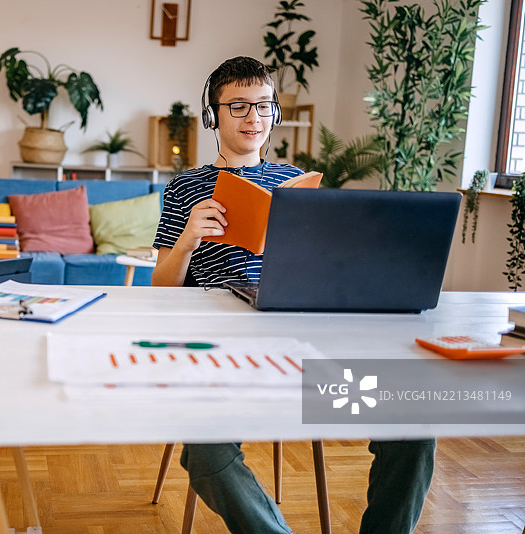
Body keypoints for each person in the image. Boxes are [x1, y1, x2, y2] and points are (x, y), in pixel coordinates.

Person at [151, 56, 435, 533]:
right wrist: (187, 241)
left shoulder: (294, 181)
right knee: (205, 454)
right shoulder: (186, 187)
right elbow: (160, 289)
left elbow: (327, 271)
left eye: (263, 106)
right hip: (224, 348)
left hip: (301, 339)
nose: (253, 118)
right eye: (238, 106)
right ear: (213, 115)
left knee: (413, 428)